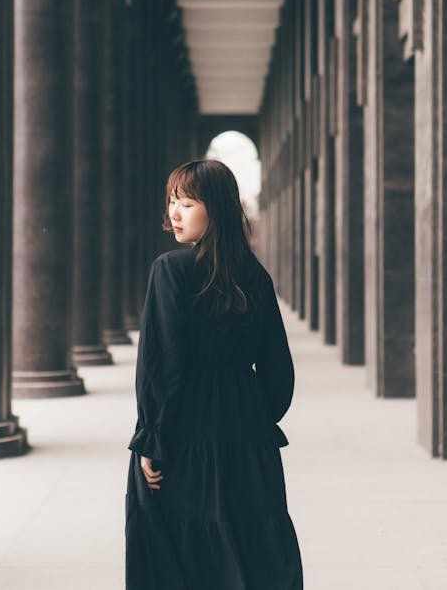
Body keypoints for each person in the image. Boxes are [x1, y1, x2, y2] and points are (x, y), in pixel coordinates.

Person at [125, 158, 303, 589]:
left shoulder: (170, 270)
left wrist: (152, 438)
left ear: (216, 208)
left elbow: (161, 365)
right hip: (249, 441)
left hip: (183, 441)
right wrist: (252, 416)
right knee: (251, 558)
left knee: (181, 561)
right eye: (172, 202)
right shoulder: (256, 276)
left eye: (186, 202)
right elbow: (279, 371)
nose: (174, 213)